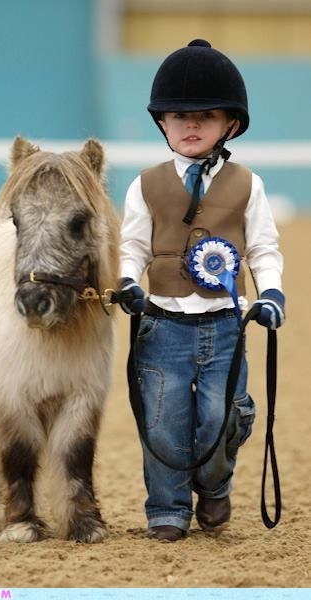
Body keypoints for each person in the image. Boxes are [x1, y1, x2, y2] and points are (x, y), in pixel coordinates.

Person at [117, 39, 285, 542]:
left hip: (224, 327)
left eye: (206, 116)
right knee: (163, 422)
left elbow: (263, 250)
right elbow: (131, 247)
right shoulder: (143, 186)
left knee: (219, 417)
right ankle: (166, 508)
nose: (190, 126)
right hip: (162, 325)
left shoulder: (248, 186)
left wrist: (271, 292)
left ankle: (214, 486)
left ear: (229, 124)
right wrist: (128, 281)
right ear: (162, 123)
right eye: (177, 116)